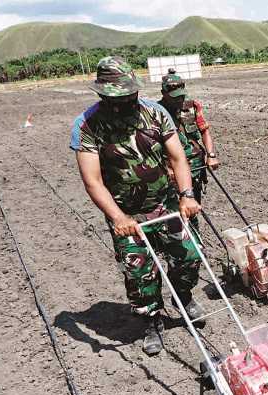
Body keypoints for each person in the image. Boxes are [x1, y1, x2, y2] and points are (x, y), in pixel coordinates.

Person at [70, 56, 205, 355]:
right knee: (139, 273)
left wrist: (186, 194)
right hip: (126, 213)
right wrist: (118, 217)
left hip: (165, 202)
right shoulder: (88, 125)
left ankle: (182, 296)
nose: (127, 100)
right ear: (103, 93)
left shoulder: (154, 113)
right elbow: (92, 180)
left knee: (188, 256)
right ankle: (151, 321)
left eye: (130, 93)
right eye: (118, 96)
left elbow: (178, 157)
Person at [158, 69, 219, 231]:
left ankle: (194, 235)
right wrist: (166, 168)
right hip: (170, 170)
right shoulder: (155, 113)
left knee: (193, 204)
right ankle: (180, 238)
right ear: (163, 93)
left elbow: (204, 131)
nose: (179, 99)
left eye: (181, 95)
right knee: (174, 208)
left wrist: (211, 155)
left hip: (195, 166)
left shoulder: (192, 107)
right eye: (174, 97)